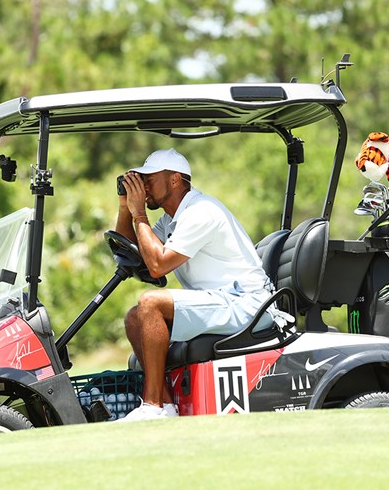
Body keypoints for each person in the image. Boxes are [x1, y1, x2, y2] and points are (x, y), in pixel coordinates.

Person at [115, 148, 283, 421]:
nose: (144, 186)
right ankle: (164, 407)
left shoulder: (201, 211)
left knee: (150, 303)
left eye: (149, 179)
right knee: (135, 318)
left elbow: (157, 265)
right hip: (221, 300)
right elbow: (132, 248)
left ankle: (153, 405)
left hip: (247, 303)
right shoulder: (171, 219)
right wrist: (126, 207)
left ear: (175, 180)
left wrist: (139, 214)